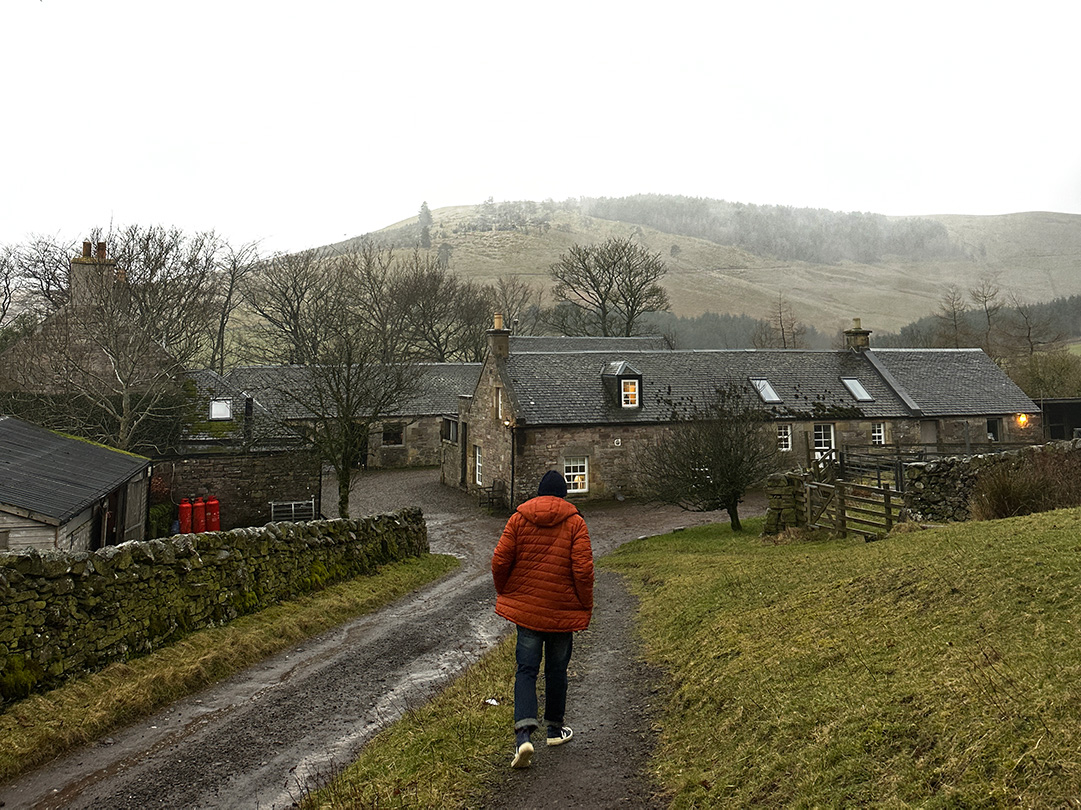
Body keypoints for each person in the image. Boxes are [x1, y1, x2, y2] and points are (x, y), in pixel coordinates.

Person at [491, 469, 594, 769]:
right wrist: (584, 605)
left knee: (526, 669)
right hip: (562, 611)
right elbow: (584, 572)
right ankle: (554, 730)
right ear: (563, 495)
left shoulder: (518, 519)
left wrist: (506, 590)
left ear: (538, 493)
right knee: (557, 670)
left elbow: (499, 560)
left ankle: (523, 736)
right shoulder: (575, 522)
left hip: (527, 611)